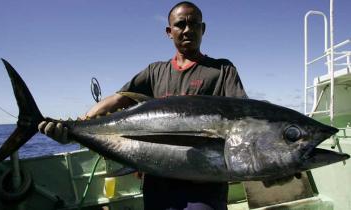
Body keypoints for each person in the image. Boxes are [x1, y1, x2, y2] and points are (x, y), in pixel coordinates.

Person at [39, 1, 247, 209]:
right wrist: (75, 127)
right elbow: (119, 99)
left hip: (205, 187)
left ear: (203, 29)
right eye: (180, 24)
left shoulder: (222, 70)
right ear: (169, 31)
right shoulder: (155, 71)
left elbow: (244, 122)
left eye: (194, 24)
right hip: (157, 183)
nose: (187, 30)